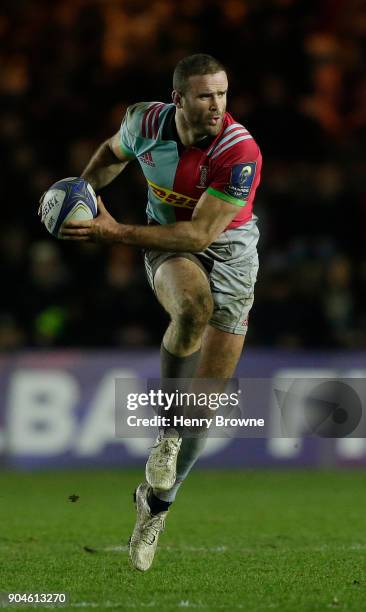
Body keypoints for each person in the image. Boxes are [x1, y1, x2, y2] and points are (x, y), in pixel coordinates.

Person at [58, 54, 262, 571]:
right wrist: (84, 197)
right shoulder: (145, 122)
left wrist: (114, 233)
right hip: (169, 247)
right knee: (192, 309)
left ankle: (155, 505)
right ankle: (165, 436)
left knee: (204, 415)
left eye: (222, 94)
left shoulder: (239, 151)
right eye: (204, 95)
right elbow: (110, 152)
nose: (217, 105)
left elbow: (200, 234)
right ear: (179, 99)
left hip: (230, 251)